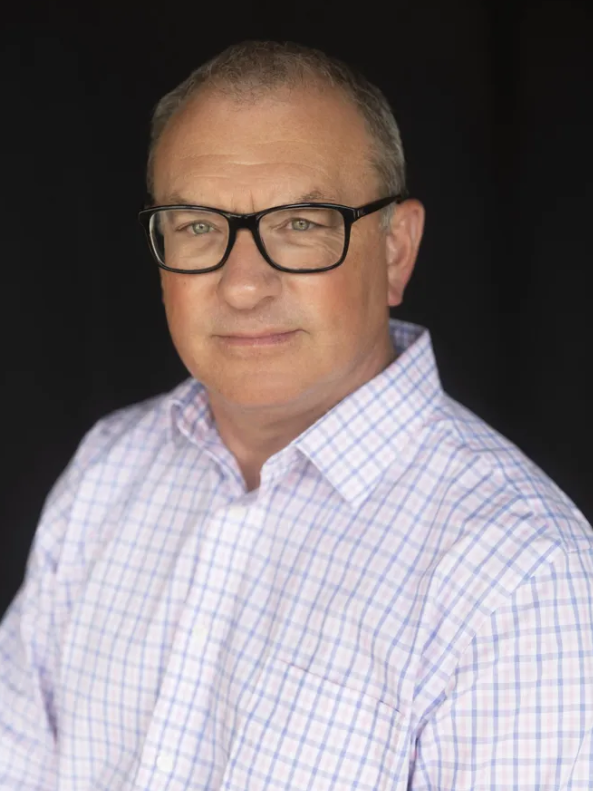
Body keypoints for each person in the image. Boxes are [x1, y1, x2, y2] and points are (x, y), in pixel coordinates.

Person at [0, 40, 591, 791]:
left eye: (302, 224)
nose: (243, 285)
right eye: (197, 226)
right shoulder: (109, 470)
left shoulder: (519, 574)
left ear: (395, 250)